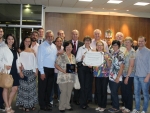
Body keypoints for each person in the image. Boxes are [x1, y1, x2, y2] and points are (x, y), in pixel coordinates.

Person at [16, 36, 38, 112]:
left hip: (31, 72)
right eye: (26, 41)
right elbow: (18, 63)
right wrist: (20, 71)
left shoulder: (32, 50)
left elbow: (35, 62)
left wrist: (36, 70)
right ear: (23, 41)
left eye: (29, 41)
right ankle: (25, 105)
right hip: (24, 72)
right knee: (24, 90)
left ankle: (31, 104)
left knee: (31, 90)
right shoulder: (19, 50)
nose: (27, 42)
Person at [37, 30, 57, 111]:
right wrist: (41, 72)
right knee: (42, 88)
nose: (50, 38)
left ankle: (47, 102)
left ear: (53, 37)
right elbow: (39, 60)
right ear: (45, 37)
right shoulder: (42, 46)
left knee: (49, 88)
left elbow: (55, 58)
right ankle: (42, 105)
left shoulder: (54, 46)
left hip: (51, 70)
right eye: (48, 36)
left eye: (51, 36)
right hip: (44, 69)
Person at [0, 34, 20, 113]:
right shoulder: (2, 48)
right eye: (9, 39)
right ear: (6, 40)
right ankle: (7, 107)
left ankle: (8, 105)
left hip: (15, 71)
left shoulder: (15, 50)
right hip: (7, 71)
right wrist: (4, 66)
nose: (10, 40)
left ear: (14, 40)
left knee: (15, 89)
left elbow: (17, 61)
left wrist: (20, 67)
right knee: (6, 88)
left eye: (12, 39)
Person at [55, 42, 76, 112]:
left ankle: (67, 105)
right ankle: (61, 107)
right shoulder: (61, 56)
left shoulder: (73, 56)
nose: (69, 48)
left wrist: (76, 69)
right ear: (64, 47)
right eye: (67, 47)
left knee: (69, 92)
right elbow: (56, 65)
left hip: (71, 77)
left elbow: (75, 66)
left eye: (70, 47)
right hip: (63, 77)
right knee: (63, 92)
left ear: (72, 48)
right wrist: (62, 70)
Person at [131, 36, 150, 113]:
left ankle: (144, 110)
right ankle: (137, 108)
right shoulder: (136, 51)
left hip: (144, 76)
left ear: (145, 42)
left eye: (142, 41)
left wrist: (148, 76)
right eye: (139, 41)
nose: (140, 42)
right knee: (136, 93)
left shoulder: (148, 52)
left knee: (145, 94)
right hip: (136, 76)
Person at [66, 29, 84, 105]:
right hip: (70, 65)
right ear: (71, 35)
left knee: (77, 82)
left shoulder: (82, 44)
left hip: (79, 66)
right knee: (69, 83)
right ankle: (68, 99)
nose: (75, 35)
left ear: (78, 35)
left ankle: (76, 99)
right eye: (73, 34)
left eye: (76, 34)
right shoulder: (67, 43)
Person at [94, 41, 111, 112]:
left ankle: (103, 106)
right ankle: (99, 105)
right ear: (96, 46)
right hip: (97, 75)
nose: (99, 47)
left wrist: (107, 59)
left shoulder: (107, 54)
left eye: (101, 45)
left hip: (105, 75)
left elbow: (109, 65)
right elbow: (92, 64)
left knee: (103, 90)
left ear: (103, 46)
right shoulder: (94, 54)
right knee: (98, 91)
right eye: (98, 45)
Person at [76, 36, 93, 109]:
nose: (87, 42)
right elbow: (77, 59)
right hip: (82, 69)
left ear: (90, 42)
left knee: (87, 86)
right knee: (82, 86)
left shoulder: (92, 49)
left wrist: (92, 65)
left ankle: (85, 102)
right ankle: (82, 103)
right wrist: (81, 58)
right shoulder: (80, 49)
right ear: (84, 41)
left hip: (89, 69)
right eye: (86, 41)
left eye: (89, 41)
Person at [108, 40, 124, 112]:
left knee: (114, 92)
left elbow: (122, 67)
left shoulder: (120, 54)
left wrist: (118, 77)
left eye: (116, 45)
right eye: (113, 45)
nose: (114, 46)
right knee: (113, 92)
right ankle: (114, 106)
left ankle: (116, 108)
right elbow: (111, 65)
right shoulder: (112, 53)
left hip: (117, 77)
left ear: (119, 46)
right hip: (111, 76)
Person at [121, 37, 135, 113]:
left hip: (129, 74)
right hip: (124, 74)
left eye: (128, 42)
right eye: (126, 42)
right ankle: (125, 105)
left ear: (131, 43)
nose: (127, 43)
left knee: (128, 91)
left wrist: (127, 77)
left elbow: (131, 65)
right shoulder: (125, 51)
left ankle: (129, 107)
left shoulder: (132, 52)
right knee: (124, 90)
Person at [49, 37, 64, 106]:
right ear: (55, 42)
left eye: (60, 41)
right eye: (57, 41)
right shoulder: (52, 48)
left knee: (59, 86)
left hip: (61, 71)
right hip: (52, 70)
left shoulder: (64, 49)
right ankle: (50, 100)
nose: (59, 42)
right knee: (51, 86)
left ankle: (60, 99)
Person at [0, 27, 5, 112]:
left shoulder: (5, 44)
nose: (0, 33)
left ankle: (1, 104)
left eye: (1, 31)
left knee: (1, 88)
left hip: (2, 69)